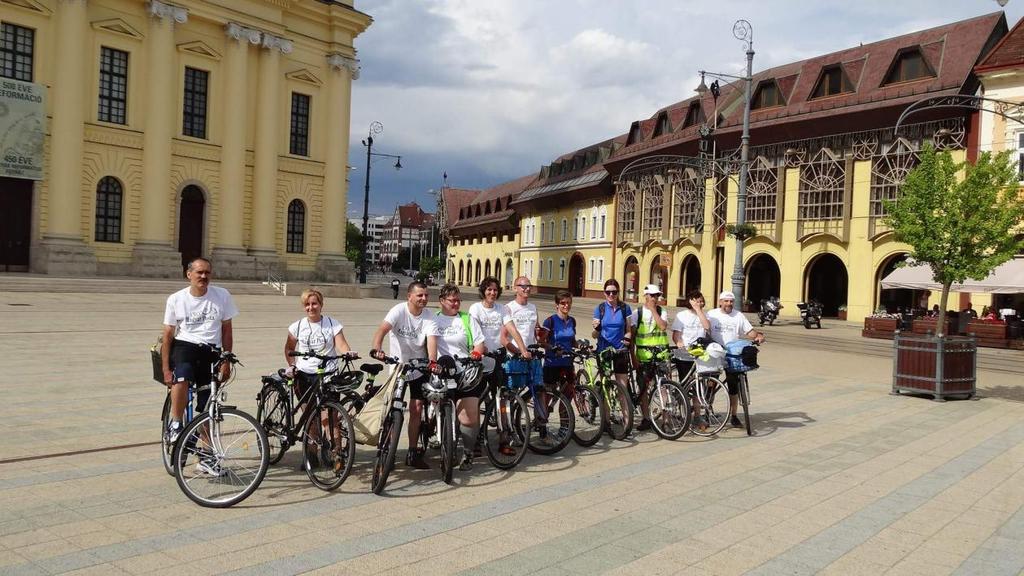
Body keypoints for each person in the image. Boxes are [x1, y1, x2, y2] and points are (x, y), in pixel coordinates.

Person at [161, 257, 239, 474]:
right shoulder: (176, 299)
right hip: (186, 345)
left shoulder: (222, 295)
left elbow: (227, 330)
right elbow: (167, 335)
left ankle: (206, 457)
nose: (203, 276)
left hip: (211, 350)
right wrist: (166, 368)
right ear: (189, 275)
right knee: (183, 375)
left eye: (207, 273)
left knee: (208, 406)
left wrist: (226, 359)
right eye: (199, 272)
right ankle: (176, 423)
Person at [370, 281, 437, 469]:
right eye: (420, 295)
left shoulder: (430, 317)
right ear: (409, 296)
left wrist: (432, 361)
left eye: (426, 295)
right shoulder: (398, 311)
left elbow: (431, 342)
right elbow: (382, 330)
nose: (424, 298)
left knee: (416, 409)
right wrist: (377, 348)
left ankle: (413, 452)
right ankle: (386, 451)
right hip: (398, 367)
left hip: (419, 367)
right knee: (392, 407)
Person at [428, 284, 486, 470]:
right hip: (440, 372)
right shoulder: (433, 319)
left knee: (468, 417)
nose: (455, 303)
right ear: (442, 301)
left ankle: (468, 453)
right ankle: (442, 443)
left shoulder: (467, 319)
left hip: (465, 371)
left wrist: (477, 353)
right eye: (452, 300)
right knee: (439, 411)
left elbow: (479, 343)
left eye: (458, 300)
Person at [706, 291, 765, 427]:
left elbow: (750, 332)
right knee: (711, 383)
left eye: (731, 301)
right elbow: (705, 330)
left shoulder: (738, 315)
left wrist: (758, 336)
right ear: (720, 301)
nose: (729, 304)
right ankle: (707, 410)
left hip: (733, 354)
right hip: (715, 352)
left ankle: (733, 415)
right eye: (726, 301)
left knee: (734, 386)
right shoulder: (712, 314)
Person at [629, 285, 670, 431]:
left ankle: (666, 421)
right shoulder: (637, 313)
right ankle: (646, 418)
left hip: (661, 356)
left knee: (664, 388)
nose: (655, 298)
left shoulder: (661, 311)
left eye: (657, 296)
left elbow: (663, 327)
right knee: (643, 389)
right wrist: (633, 357)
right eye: (652, 296)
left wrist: (653, 310)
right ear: (645, 296)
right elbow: (632, 337)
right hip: (644, 357)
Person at [671, 289, 712, 428]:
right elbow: (676, 335)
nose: (700, 303)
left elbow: (707, 327)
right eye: (696, 300)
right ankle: (684, 413)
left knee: (698, 386)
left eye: (701, 301)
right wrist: (680, 344)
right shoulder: (681, 315)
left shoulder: (704, 315)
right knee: (685, 384)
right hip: (685, 354)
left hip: (699, 354)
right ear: (690, 301)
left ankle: (697, 416)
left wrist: (699, 310)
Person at [593, 278, 633, 391]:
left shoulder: (625, 308)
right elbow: (594, 335)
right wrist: (597, 329)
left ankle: (625, 409)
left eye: (614, 292)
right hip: (604, 352)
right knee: (606, 388)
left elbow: (629, 330)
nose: (611, 295)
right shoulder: (600, 309)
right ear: (604, 293)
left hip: (620, 351)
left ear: (618, 292)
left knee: (623, 388)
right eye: (608, 292)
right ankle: (605, 408)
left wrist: (627, 338)